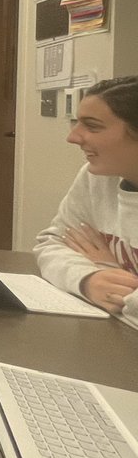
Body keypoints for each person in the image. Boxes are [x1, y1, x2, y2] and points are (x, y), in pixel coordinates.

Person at [35, 76, 138, 316]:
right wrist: (89, 278)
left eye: (92, 126)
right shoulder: (96, 178)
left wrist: (112, 271)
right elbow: (52, 243)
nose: (73, 137)